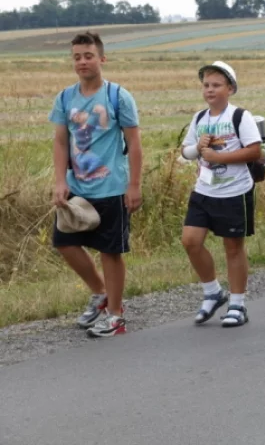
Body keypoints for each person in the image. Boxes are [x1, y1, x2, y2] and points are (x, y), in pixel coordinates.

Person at [50, 31, 143, 338]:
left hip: (112, 188)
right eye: (77, 57)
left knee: (109, 251)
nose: (82, 62)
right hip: (78, 189)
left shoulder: (118, 96)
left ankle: (116, 317)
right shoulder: (65, 98)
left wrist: (134, 186)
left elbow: (134, 142)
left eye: (88, 56)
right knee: (64, 242)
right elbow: (61, 141)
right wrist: (60, 180)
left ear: (102, 59)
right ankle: (100, 292)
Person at [180, 61, 262, 327]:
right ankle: (213, 292)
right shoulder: (199, 118)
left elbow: (254, 151)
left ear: (230, 88)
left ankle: (237, 304)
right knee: (190, 241)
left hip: (234, 191)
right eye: (206, 85)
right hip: (204, 189)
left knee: (233, 247)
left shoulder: (240, 116)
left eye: (216, 85)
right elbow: (185, 152)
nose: (210, 90)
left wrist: (219, 156)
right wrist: (198, 148)